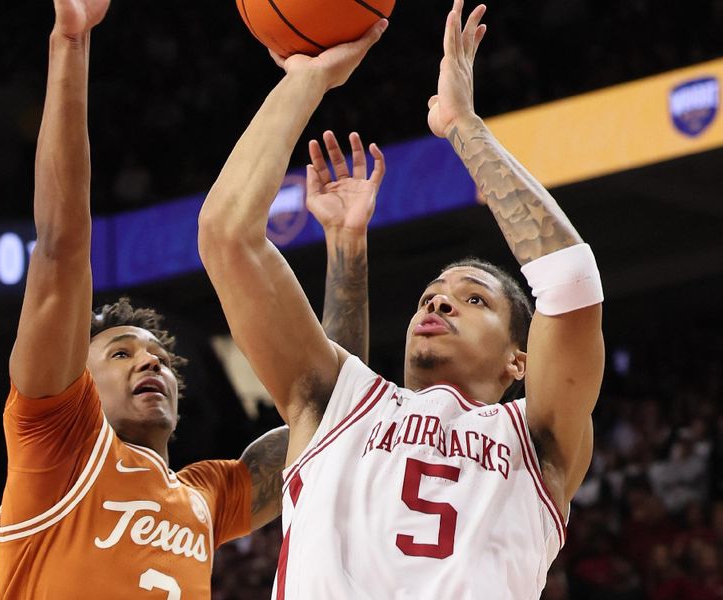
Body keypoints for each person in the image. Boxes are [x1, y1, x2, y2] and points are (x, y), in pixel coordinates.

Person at [198, 0, 604, 597]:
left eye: (474, 300)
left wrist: (465, 129)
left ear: (520, 360)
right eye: (432, 295)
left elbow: (570, 283)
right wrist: (307, 81)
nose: (439, 304)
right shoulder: (339, 401)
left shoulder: (538, 440)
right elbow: (227, 237)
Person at [0, 0, 376, 598]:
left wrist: (346, 246)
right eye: (121, 354)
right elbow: (63, 247)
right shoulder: (55, 450)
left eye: (161, 359)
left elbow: (331, 402)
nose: (152, 363)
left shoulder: (207, 496)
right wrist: (70, 42)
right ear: (77, 382)